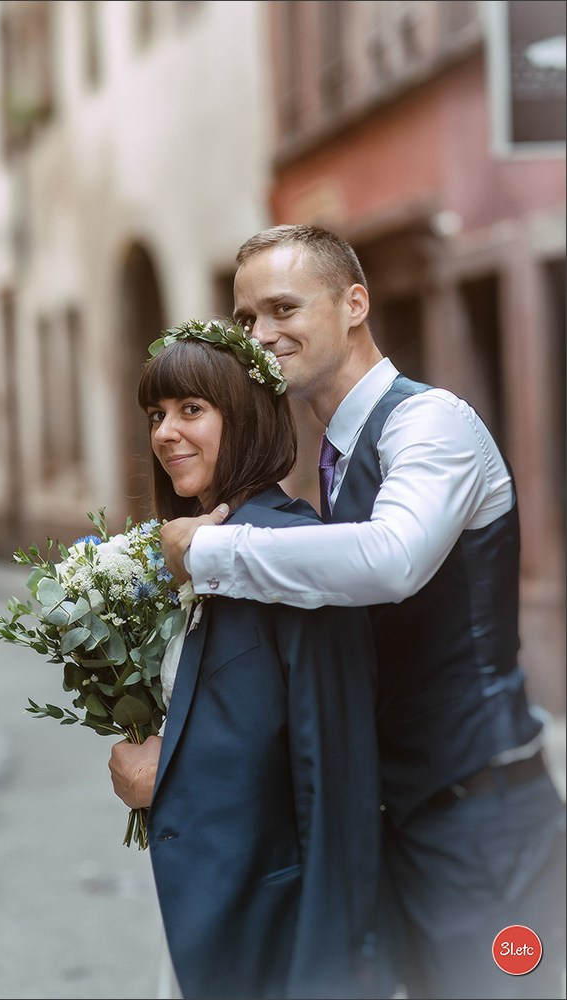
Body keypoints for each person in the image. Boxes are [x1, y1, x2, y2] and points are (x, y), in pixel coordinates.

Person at [157, 226, 566, 1000]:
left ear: (354, 304)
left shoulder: (430, 423)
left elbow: (390, 560)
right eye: (245, 318)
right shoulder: (333, 455)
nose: (259, 335)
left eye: (282, 308)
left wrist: (205, 553)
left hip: (483, 825)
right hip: (396, 817)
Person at [108, 320, 392, 1000]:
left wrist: (329, 973)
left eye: (191, 409)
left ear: (244, 418)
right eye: (156, 415)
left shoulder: (292, 557)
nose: (165, 433)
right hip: (207, 920)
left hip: (279, 936)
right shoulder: (188, 557)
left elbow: (334, 775)